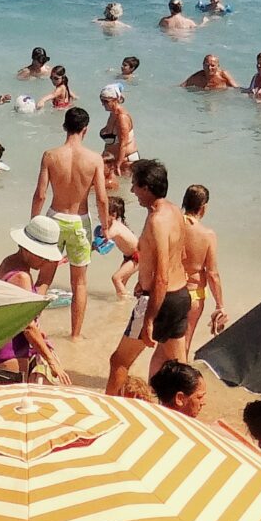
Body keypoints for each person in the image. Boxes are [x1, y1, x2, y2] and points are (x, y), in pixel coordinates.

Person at [107, 160, 188, 392]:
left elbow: (161, 275)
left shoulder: (156, 220)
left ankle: (111, 410)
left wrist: (150, 318)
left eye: (135, 185)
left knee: (119, 361)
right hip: (180, 296)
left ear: (147, 188)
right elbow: (181, 254)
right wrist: (142, 281)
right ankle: (187, 419)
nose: (132, 190)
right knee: (180, 371)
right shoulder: (175, 212)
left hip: (159, 300)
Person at [27, 107, 107, 338]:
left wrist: (34, 221)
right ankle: (75, 335)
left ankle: (31, 326)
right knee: (79, 283)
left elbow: (40, 194)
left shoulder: (50, 155)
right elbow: (102, 198)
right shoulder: (94, 159)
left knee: (44, 278)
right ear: (86, 130)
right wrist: (107, 227)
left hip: (54, 220)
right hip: (80, 222)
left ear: (64, 126)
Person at [178, 183, 228, 346]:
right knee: (184, 344)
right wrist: (220, 305)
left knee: (166, 345)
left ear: (184, 202)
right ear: (203, 207)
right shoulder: (207, 235)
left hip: (169, 290)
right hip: (193, 294)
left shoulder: (172, 225)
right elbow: (212, 273)